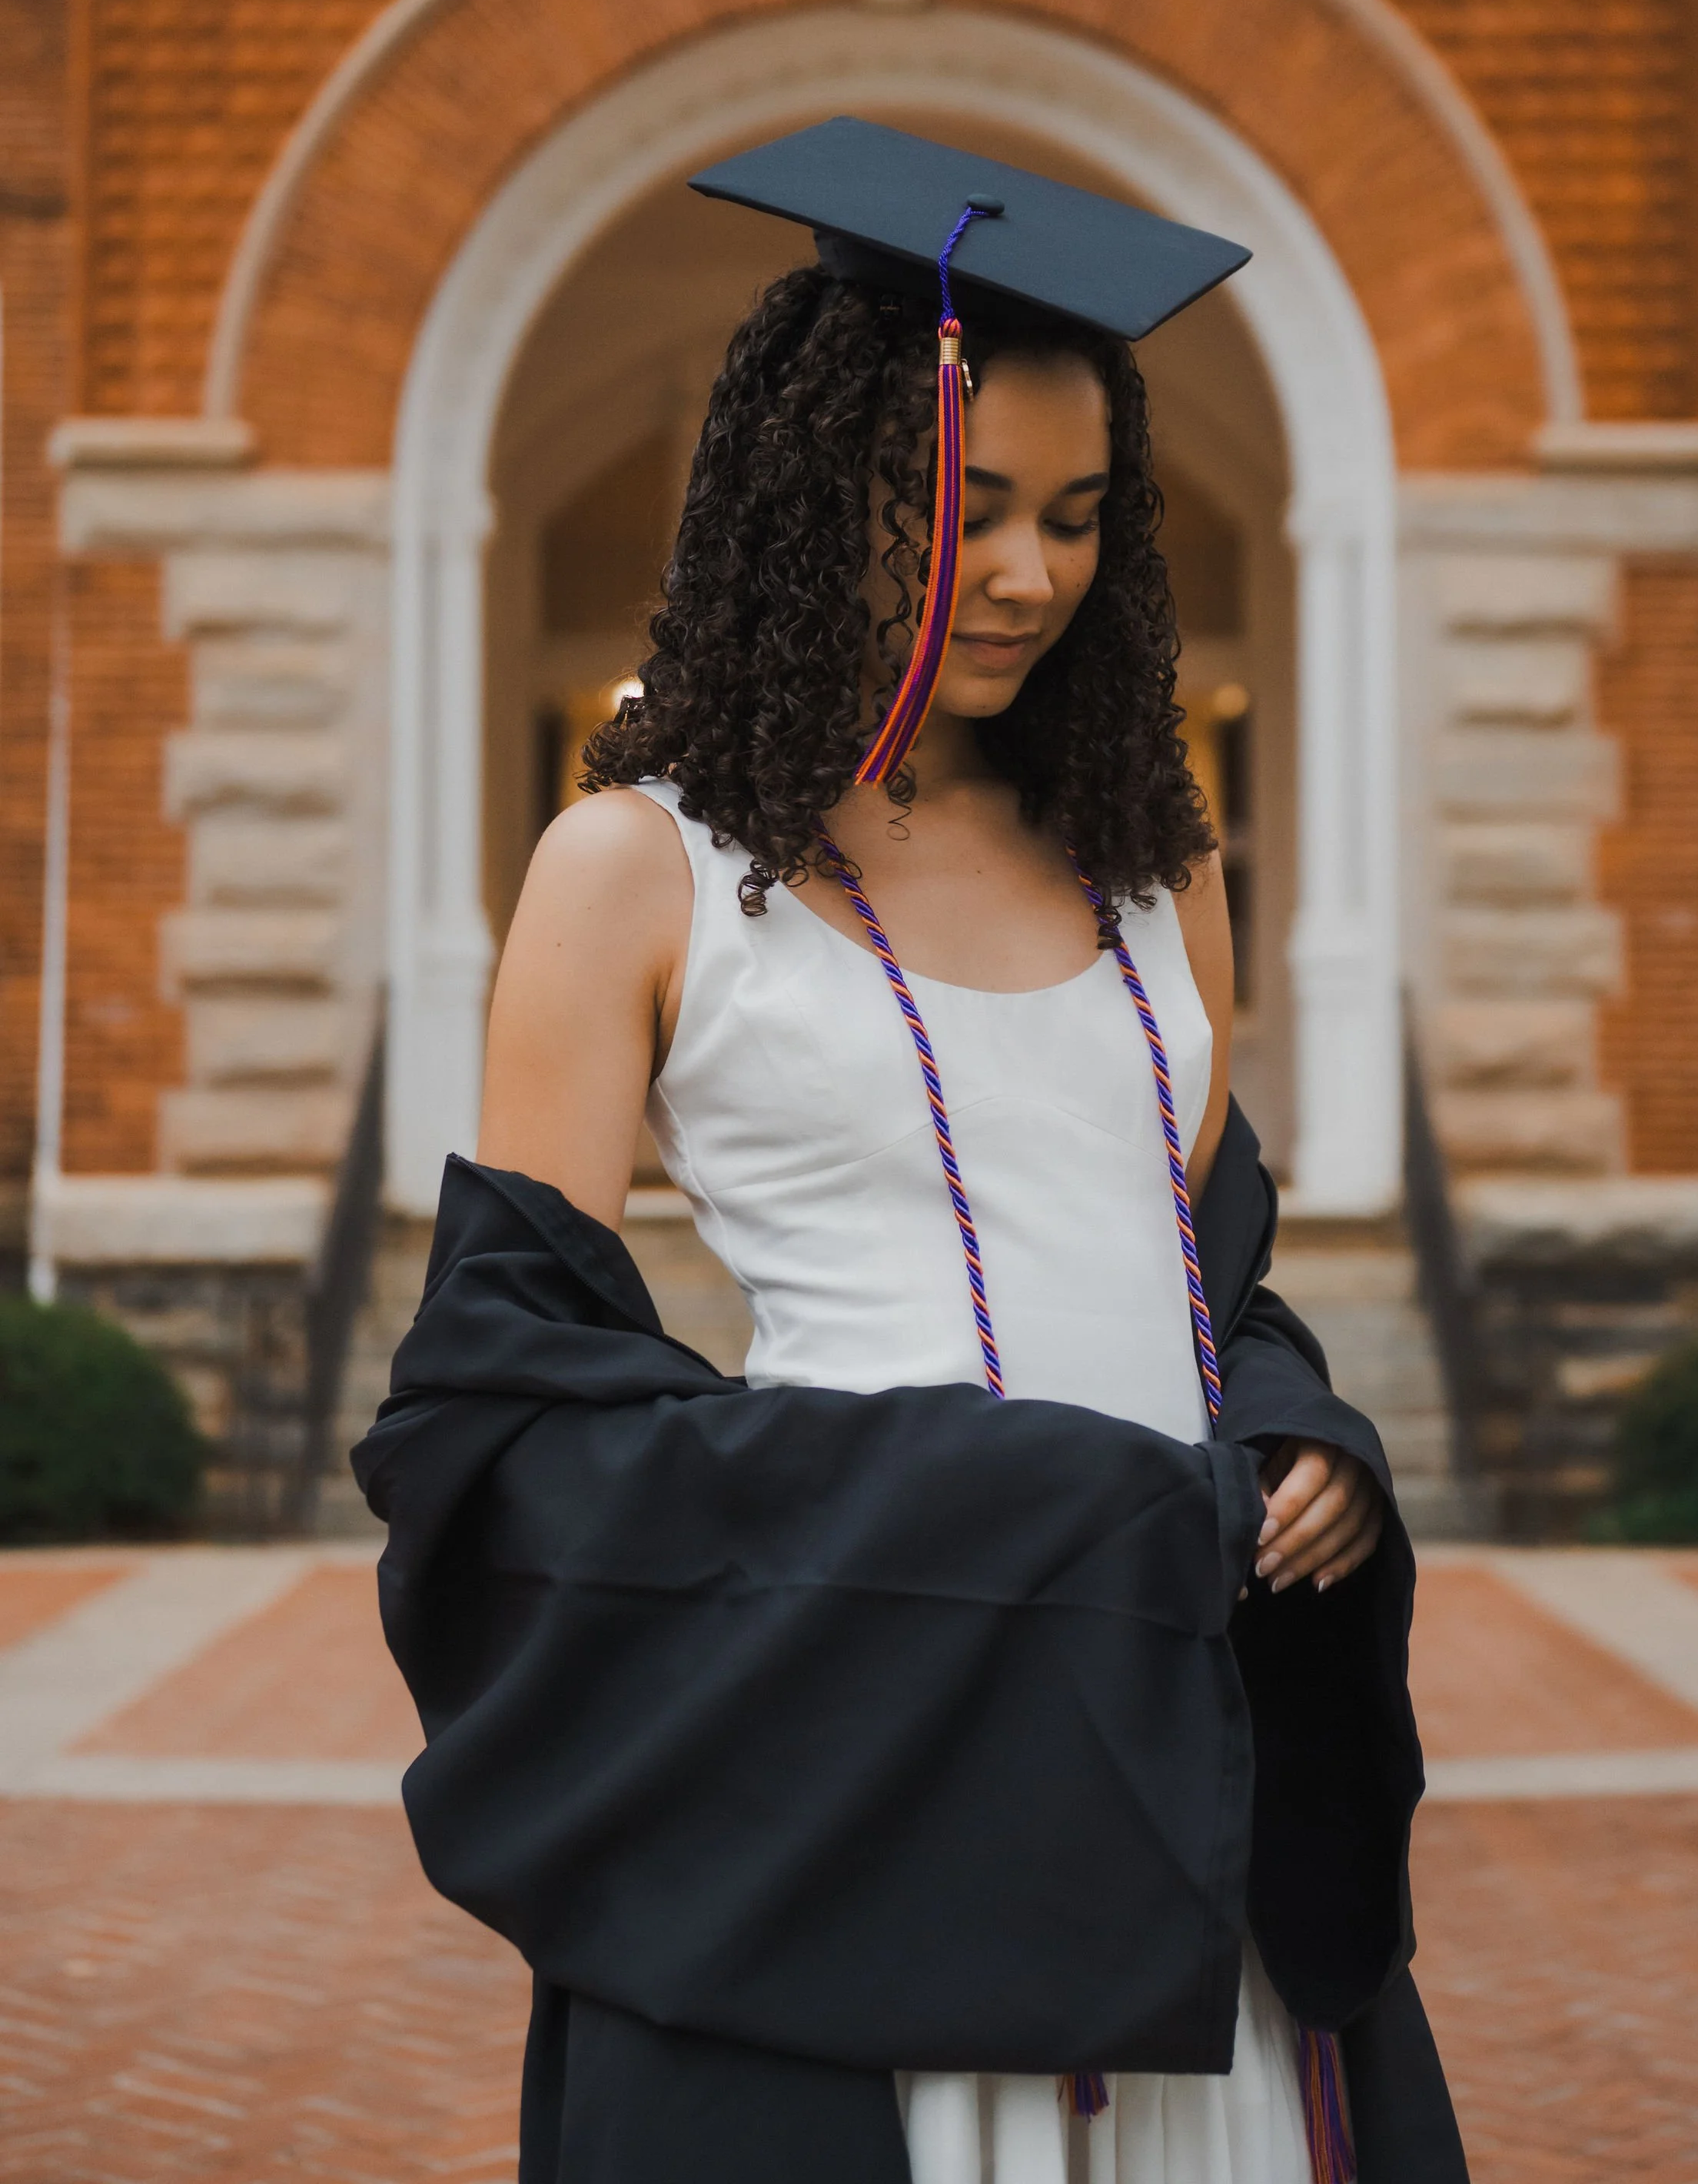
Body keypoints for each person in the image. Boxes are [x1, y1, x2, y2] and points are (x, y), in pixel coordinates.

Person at [356, 121, 1468, 2184]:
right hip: (870, 1735)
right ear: (814, 503)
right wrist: (1000, 1501)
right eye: (957, 510)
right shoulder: (641, 872)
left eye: (1074, 516)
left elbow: (1203, 1282)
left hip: (1164, 1721)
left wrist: (1302, 1432)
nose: (1030, 574)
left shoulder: (1156, 868)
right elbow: (496, 1414)